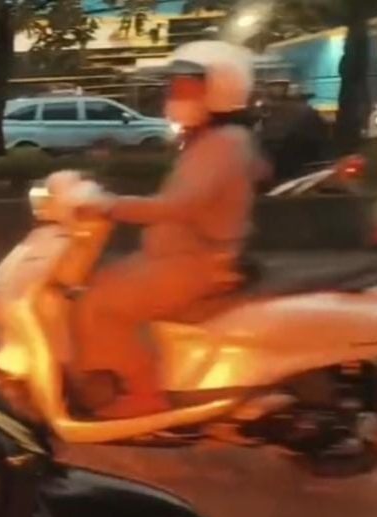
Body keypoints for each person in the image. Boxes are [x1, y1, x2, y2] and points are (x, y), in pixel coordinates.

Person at [71, 40, 267, 419]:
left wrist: (109, 205)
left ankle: (146, 394)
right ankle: (101, 380)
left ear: (220, 91)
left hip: (196, 263)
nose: (173, 96)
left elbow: (177, 205)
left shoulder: (224, 144)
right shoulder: (208, 140)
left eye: (185, 88)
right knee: (93, 286)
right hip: (174, 256)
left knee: (102, 306)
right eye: (174, 87)